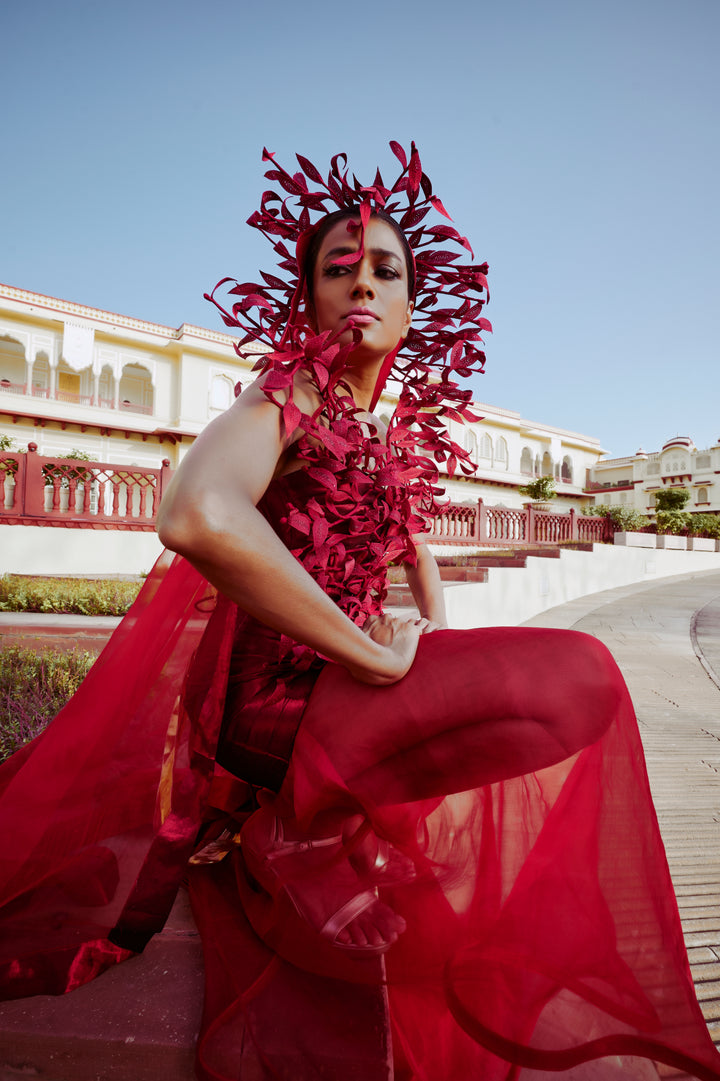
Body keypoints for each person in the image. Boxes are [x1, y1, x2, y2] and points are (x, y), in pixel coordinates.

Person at [1, 143, 719, 1081]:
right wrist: (375, 658)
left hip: (330, 690)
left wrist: (433, 640)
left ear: (415, 306)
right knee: (581, 675)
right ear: (309, 302)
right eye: (338, 269)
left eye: (386, 269)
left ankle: (317, 818)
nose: (363, 283)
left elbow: (414, 548)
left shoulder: (379, 432)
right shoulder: (288, 398)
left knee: (549, 691)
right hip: (265, 708)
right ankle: (299, 828)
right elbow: (193, 512)